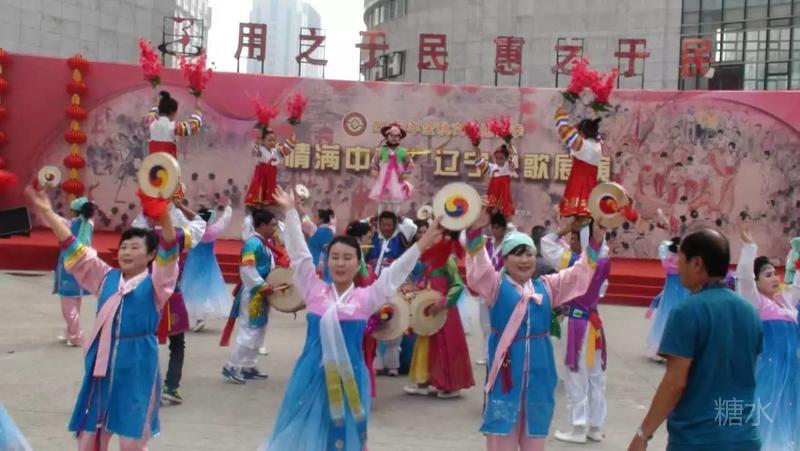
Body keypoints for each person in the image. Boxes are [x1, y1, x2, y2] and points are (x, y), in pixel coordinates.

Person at [263, 186, 441, 451]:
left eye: (347, 258)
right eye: (335, 257)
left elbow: (394, 274)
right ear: (328, 261)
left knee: (344, 439)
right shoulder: (314, 290)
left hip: (350, 377)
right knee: (305, 435)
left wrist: (422, 244)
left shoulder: (366, 299)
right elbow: (300, 256)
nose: (340, 263)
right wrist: (290, 213)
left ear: (358, 264)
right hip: (311, 374)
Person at [25, 185, 180, 451]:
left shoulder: (156, 284)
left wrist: (164, 217)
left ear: (151, 255)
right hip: (102, 363)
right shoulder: (106, 277)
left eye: (135, 247)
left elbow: (169, 253)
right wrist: (48, 213)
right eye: (124, 247)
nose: (126, 252)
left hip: (138, 362)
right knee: (90, 433)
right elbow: (75, 249)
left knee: (132, 435)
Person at [465, 205, 603, 451]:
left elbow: (578, 275)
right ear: (504, 259)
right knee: (503, 434)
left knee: (535, 435)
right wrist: (475, 230)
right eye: (517, 254)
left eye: (529, 253)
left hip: (540, 373)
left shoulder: (546, 287)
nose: (525, 259)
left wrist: (595, 241)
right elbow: (480, 269)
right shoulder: (495, 286)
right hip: (507, 373)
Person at [627, 229, 762, 451]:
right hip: (745, 436)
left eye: (680, 258)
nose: (677, 265)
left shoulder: (686, 312)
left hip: (698, 439)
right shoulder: (750, 312)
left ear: (697, 263)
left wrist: (643, 434)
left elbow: (674, 383)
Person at [736, 224, 800, 450]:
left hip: (792, 374)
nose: (775, 278)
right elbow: (744, 278)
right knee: (765, 418)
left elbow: (797, 285)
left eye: (776, 274)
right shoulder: (757, 303)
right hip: (768, 373)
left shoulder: (786, 303)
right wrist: (749, 248)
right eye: (768, 274)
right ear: (756, 281)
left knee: (788, 421)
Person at [553, 220, 611, 444]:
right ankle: (595, 426)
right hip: (594, 323)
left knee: (575, 374)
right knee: (596, 376)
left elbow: (547, 245)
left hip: (577, 322)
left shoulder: (576, 264)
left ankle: (578, 427)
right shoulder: (605, 263)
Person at [405, 232, 474, 398]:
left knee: (445, 347)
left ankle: (449, 386)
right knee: (426, 345)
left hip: (445, 312)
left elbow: (457, 285)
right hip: (427, 311)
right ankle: (424, 381)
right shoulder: (425, 261)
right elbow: (423, 282)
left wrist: (442, 303)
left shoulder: (447, 260)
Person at [150, 201, 206, 406]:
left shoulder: (142, 235)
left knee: (146, 343)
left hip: (148, 298)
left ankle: (148, 386)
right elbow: (201, 223)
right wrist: (181, 206)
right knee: (177, 345)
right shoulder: (179, 236)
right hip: (173, 298)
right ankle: (171, 387)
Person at [221, 209, 282, 384]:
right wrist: (263, 286)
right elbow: (247, 269)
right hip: (253, 292)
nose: (275, 228)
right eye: (272, 225)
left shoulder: (263, 242)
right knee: (249, 330)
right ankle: (232, 366)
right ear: (262, 225)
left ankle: (248, 365)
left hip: (261, 292)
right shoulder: (253, 244)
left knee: (259, 330)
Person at [365, 211, 418, 376]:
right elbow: (357, 226)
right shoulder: (373, 238)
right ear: (378, 224)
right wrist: (371, 218)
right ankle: (377, 364)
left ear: (395, 225)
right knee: (375, 324)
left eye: (390, 225)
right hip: (375, 286)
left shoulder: (401, 238)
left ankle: (393, 365)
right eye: (383, 224)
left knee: (395, 325)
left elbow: (412, 227)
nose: (386, 228)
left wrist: (401, 217)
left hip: (396, 286)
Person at [183, 203, 234, 332]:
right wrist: (228, 206)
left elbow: (182, 221)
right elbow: (225, 219)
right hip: (209, 263)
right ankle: (199, 317)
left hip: (192, 263)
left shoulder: (193, 229)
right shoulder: (213, 230)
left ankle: (195, 317)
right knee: (205, 289)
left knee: (191, 289)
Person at [53, 196, 96, 347]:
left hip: (69, 266)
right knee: (75, 303)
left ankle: (76, 336)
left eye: (71, 210)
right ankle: (70, 332)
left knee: (68, 306)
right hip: (82, 267)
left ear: (75, 211)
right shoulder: (89, 223)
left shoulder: (70, 224)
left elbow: (54, 219)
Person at [645, 238, 691, 362]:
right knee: (666, 317)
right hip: (673, 292)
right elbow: (664, 247)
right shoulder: (671, 258)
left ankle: (676, 350)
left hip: (681, 291)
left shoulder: (683, 259)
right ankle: (662, 349)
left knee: (678, 317)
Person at [554, 103, 603, 219]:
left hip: (579, 184)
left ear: (581, 133)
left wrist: (560, 113)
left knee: (580, 218)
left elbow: (563, 130)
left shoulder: (582, 145)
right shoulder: (598, 145)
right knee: (586, 217)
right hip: (591, 184)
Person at [477, 212, 510, 366]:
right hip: (485, 287)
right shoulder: (486, 243)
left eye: (498, 227)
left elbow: (508, 265)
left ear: (504, 229)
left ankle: (502, 353)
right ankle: (487, 354)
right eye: (493, 227)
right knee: (485, 324)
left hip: (501, 287)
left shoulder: (508, 244)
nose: (495, 230)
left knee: (500, 322)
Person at [244, 120, 296, 208]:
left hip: (271, 176)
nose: (272, 142)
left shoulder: (274, 151)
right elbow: (254, 153)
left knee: (270, 192)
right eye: (269, 140)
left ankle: (268, 202)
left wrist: (291, 140)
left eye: (273, 140)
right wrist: (257, 142)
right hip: (261, 176)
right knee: (259, 192)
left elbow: (285, 151)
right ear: (263, 141)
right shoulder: (260, 150)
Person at [369, 122, 414, 214]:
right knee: (382, 204)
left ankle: (395, 220)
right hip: (383, 181)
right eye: (391, 135)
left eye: (397, 136)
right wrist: (375, 170)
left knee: (395, 204)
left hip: (397, 181)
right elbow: (374, 162)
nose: (394, 138)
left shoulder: (403, 151)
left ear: (400, 138)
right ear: (387, 137)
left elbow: (411, 164)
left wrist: (406, 174)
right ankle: (380, 220)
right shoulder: (381, 151)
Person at [144, 90, 203, 157]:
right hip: (168, 162)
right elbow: (192, 127)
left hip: (153, 162)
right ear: (172, 112)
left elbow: (152, 112)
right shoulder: (174, 127)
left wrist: (156, 103)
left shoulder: (151, 122)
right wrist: (198, 113)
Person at [476, 143, 519, 217]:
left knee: (503, 217)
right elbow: (479, 161)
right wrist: (476, 147)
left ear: (506, 158)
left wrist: (510, 144)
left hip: (503, 202)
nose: (498, 160)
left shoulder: (508, 168)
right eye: (497, 158)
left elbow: (514, 154)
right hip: (492, 200)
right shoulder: (492, 167)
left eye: (501, 158)